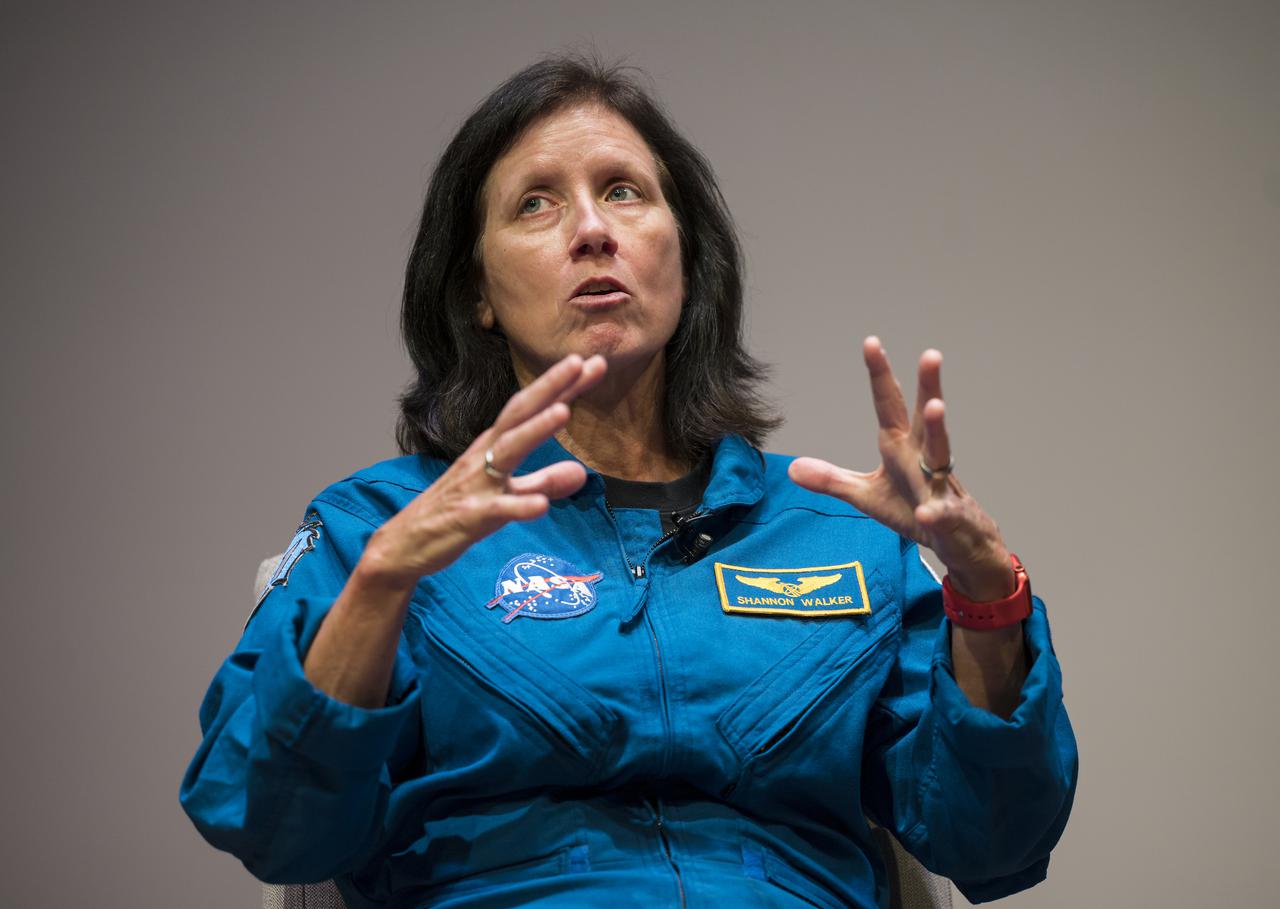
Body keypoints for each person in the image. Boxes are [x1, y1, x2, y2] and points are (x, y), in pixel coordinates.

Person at [180, 54, 1077, 909]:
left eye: (623, 191)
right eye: (535, 204)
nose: (593, 229)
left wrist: (987, 596)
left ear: (686, 260)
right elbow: (273, 825)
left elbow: (994, 842)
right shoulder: (383, 527)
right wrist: (379, 585)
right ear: (478, 292)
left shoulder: (843, 533)